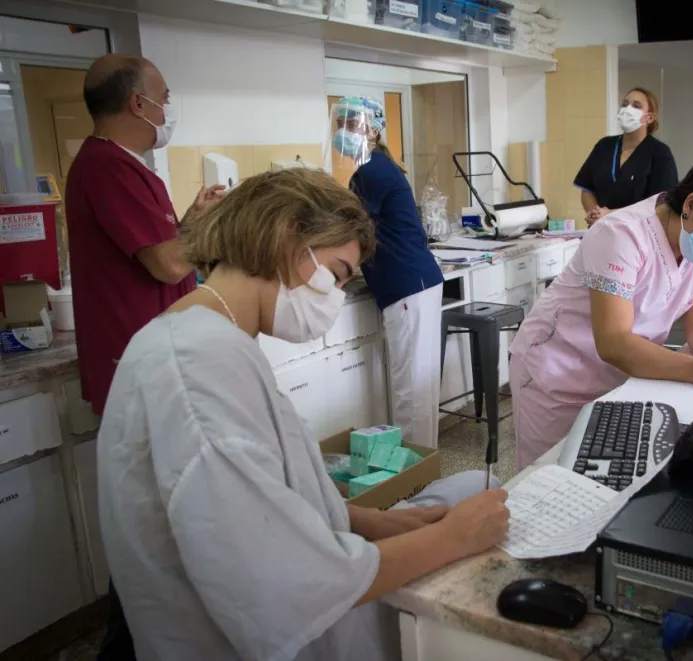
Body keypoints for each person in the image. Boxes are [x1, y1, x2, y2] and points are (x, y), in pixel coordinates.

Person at [97, 167, 510, 660]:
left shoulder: (211, 337)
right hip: (265, 632)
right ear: (288, 234)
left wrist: (365, 521)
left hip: (306, 562)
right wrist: (450, 539)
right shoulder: (196, 371)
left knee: (473, 488)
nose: (334, 296)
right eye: (336, 274)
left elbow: (266, 491)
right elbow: (281, 585)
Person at [64, 53, 223, 661]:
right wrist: (201, 235)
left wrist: (193, 218)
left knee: (158, 522)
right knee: (148, 529)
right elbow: (164, 263)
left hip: (160, 355)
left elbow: (162, 248)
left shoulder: (134, 168)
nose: (169, 105)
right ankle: (123, 648)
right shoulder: (105, 167)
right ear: (138, 104)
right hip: (137, 367)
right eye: (165, 94)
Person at [509, 154, 693, 469]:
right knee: (550, 480)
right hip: (556, 373)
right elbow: (614, 342)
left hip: (619, 377)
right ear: (691, 205)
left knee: (602, 475)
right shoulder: (621, 234)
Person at [332, 96, 445, 448]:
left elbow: (349, 229)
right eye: (340, 125)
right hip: (415, 283)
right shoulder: (376, 167)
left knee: (411, 387)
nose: (343, 133)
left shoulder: (371, 171)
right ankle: (422, 464)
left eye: (352, 125)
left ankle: (415, 470)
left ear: (374, 129)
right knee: (417, 383)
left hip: (407, 285)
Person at [575, 87, 678, 226]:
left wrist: (611, 215)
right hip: (601, 229)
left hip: (639, 234)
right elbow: (587, 189)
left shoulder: (660, 153)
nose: (627, 109)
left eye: (636, 106)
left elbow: (660, 204)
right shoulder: (604, 146)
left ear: (650, 117)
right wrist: (595, 213)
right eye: (624, 104)